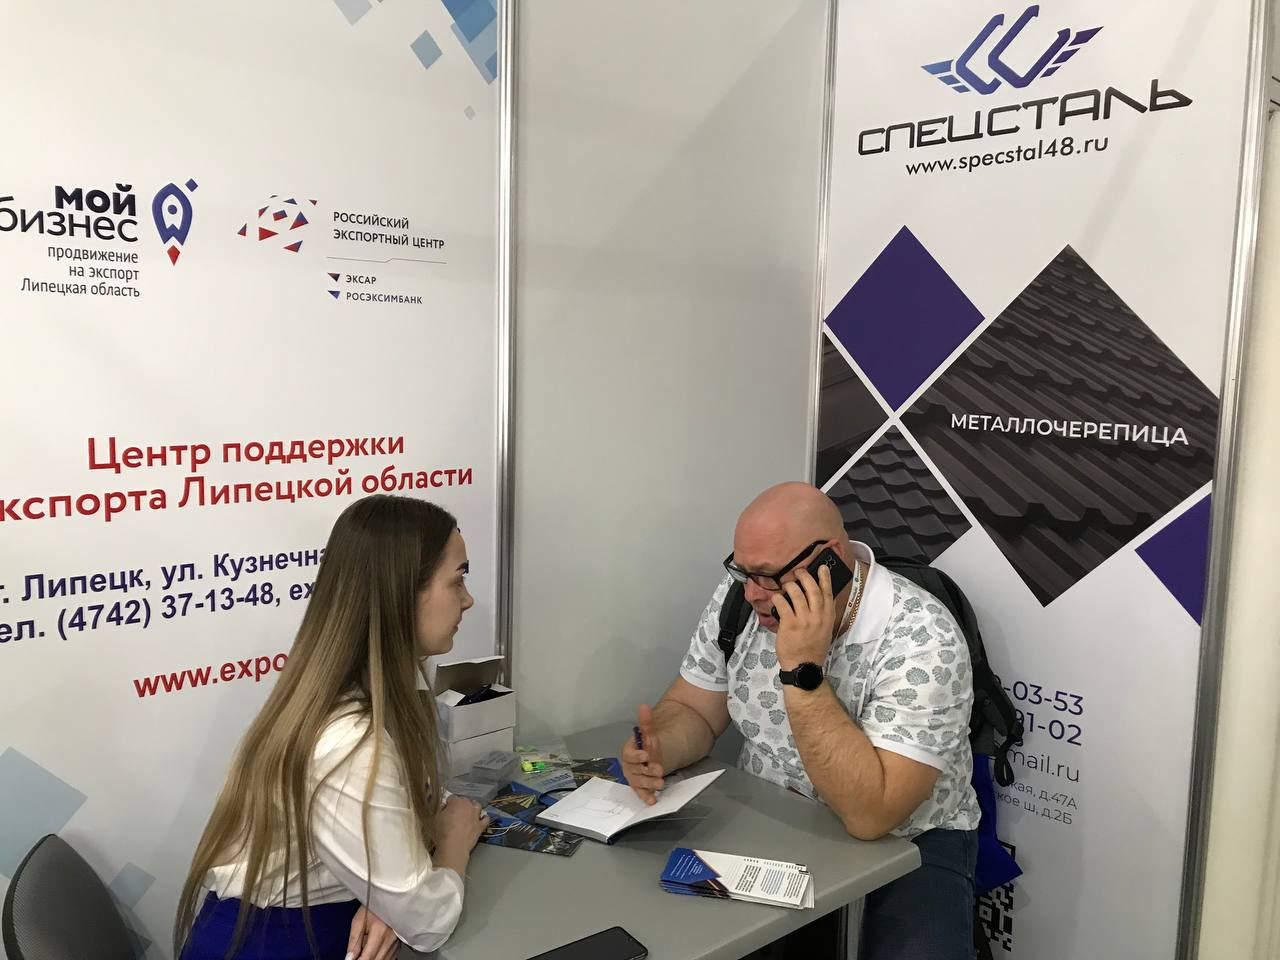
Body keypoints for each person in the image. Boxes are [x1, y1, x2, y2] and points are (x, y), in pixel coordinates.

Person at [621, 482, 981, 960]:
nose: (752, 593)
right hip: (773, 816)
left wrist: (803, 672)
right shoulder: (742, 600)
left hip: (909, 838)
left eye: (770, 576)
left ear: (830, 559)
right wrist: (659, 747)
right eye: (743, 571)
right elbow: (694, 710)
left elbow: (872, 815)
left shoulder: (923, 639)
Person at [174, 495, 490, 960]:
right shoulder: (349, 742)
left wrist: (386, 899)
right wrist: (451, 847)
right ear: (402, 593)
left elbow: (409, 804)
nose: (468, 599)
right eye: (457, 578)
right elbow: (426, 922)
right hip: (270, 945)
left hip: (308, 925)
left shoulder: (377, 689)